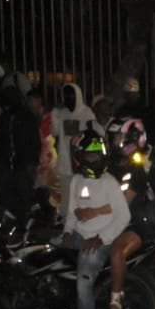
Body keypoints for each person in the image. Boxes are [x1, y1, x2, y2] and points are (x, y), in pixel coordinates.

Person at [60, 131, 130, 309]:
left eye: (97, 156)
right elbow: (71, 213)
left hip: (101, 240)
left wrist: (101, 239)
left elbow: (123, 217)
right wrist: (68, 232)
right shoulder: (76, 181)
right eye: (89, 157)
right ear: (80, 158)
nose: (94, 160)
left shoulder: (109, 182)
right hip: (80, 235)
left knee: (83, 283)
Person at [103, 117, 155, 309]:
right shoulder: (108, 166)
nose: (114, 142)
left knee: (116, 252)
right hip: (109, 223)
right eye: (112, 138)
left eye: (118, 138)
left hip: (135, 225)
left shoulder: (137, 171)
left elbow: (122, 205)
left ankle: (115, 300)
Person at [0, 85, 40, 235]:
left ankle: (25, 228)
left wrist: (32, 162)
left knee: (25, 197)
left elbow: (34, 141)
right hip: (7, 164)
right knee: (7, 196)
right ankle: (10, 227)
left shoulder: (27, 116)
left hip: (23, 164)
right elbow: (1, 140)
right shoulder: (4, 118)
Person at [50, 82, 95, 219]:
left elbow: (90, 135)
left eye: (71, 96)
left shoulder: (86, 113)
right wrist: (55, 113)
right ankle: (66, 228)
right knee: (65, 198)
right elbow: (54, 131)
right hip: (65, 164)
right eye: (66, 96)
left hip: (80, 165)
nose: (68, 99)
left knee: (81, 198)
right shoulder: (61, 113)